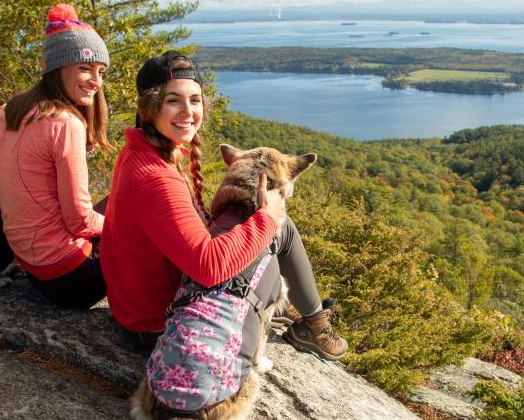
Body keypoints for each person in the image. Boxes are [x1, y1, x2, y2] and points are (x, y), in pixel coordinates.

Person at [101, 50, 348, 360]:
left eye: (194, 100)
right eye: (173, 100)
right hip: (161, 325)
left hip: (140, 312)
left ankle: (310, 320)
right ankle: (316, 326)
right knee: (278, 229)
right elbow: (209, 267)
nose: (188, 111)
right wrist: (268, 217)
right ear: (150, 107)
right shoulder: (155, 177)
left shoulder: (139, 152)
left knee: (266, 226)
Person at [0, 3, 110, 308]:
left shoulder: (12, 109)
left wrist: (19, 164)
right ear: (56, 68)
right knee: (134, 209)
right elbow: (80, 221)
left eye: (100, 71)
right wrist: (127, 227)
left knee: (120, 201)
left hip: (33, 267)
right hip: (73, 281)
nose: (96, 81)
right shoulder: (66, 124)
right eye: (84, 68)